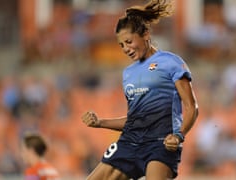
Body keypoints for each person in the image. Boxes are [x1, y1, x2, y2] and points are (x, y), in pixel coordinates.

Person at [81, 0, 198, 179]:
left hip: (160, 143)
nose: (126, 49)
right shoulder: (128, 73)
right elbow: (135, 121)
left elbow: (191, 107)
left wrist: (179, 136)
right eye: (121, 45)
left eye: (128, 42)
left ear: (145, 34)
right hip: (130, 142)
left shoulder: (171, 62)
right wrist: (100, 123)